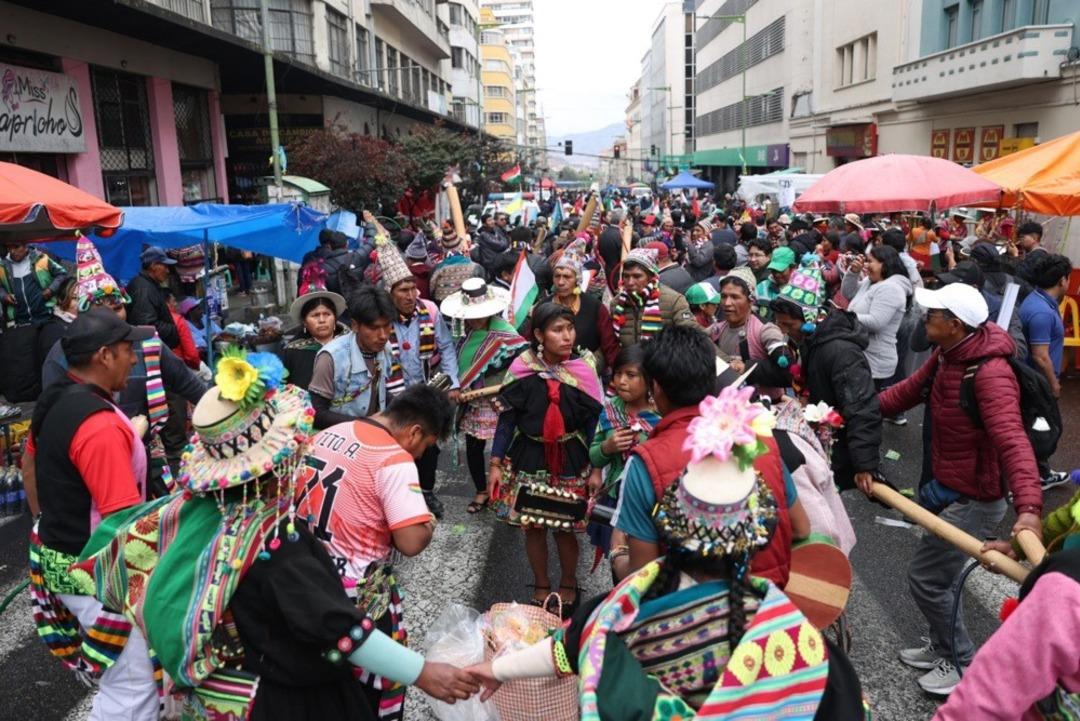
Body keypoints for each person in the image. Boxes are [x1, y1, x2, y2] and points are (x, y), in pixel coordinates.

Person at [72, 350, 478, 721]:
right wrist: (422, 672)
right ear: (276, 459)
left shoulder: (193, 510)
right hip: (277, 693)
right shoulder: (274, 540)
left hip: (221, 678)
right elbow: (335, 626)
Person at [469, 400, 867, 721]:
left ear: (670, 529)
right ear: (754, 539)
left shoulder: (614, 617)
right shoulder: (800, 646)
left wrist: (495, 669)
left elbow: (565, 650)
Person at [873, 283, 1042, 696]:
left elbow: (1013, 442)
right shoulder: (948, 354)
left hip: (975, 498)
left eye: (932, 313)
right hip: (951, 487)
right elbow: (904, 394)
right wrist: (852, 411)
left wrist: (1030, 509)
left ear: (955, 324)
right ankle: (943, 643)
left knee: (928, 580)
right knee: (938, 579)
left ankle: (962, 660)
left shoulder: (989, 373)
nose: (924, 317)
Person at [26, 308, 158, 721]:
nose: (134, 358)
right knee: (133, 687)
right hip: (98, 574)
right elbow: (123, 523)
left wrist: (52, 522)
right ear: (104, 356)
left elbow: (29, 469)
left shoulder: (59, 397)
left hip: (60, 556)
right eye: (126, 350)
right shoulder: (100, 427)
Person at [299, 383, 456, 720]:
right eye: (426, 446)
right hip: (355, 598)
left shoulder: (331, 432)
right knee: (367, 689)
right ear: (415, 432)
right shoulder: (394, 460)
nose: (419, 455)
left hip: (304, 579)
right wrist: (427, 521)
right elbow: (411, 541)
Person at [612, 324, 808, 587]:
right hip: (768, 612)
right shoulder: (758, 438)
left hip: (685, 618)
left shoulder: (644, 462)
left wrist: (617, 552)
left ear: (655, 387)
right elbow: (801, 528)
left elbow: (642, 579)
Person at [41, 238, 206, 493]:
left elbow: (192, 385)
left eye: (117, 308)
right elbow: (54, 428)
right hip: (92, 471)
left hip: (148, 462)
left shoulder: (147, 344)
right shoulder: (61, 356)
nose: (111, 317)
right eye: (99, 308)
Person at [488, 302, 604, 616]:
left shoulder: (583, 371)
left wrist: (597, 468)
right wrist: (495, 464)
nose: (567, 336)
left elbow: (595, 423)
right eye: (557, 330)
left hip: (570, 458)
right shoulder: (522, 368)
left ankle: (568, 583)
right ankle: (540, 584)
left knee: (565, 527)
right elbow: (507, 421)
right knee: (534, 527)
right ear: (539, 334)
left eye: (570, 328)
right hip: (529, 457)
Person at [370, 228, 461, 517]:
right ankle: (399, 500)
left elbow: (445, 348)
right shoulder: (382, 320)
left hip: (427, 390)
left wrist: (453, 384)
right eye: (403, 290)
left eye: (413, 288)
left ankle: (427, 492)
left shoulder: (430, 311)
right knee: (396, 449)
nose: (412, 295)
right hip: (393, 396)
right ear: (390, 293)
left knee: (429, 447)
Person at [769, 264, 882, 494]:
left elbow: (862, 407)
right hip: (823, 437)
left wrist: (865, 464)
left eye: (788, 325)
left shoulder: (841, 352)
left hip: (838, 444)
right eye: (779, 323)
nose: (783, 331)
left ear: (812, 317)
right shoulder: (810, 339)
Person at [441, 278, 529, 514]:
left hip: (500, 399)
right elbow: (459, 362)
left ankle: (506, 494)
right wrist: (459, 387)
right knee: (474, 447)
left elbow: (521, 364)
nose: (474, 319)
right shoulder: (463, 334)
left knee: (506, 449)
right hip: (472, 400)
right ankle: (481, 490)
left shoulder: (506, 333)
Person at [586, 344, 660, 578]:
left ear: (649, 380)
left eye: (631, 375)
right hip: (615, 500)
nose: (621, 381)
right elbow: (594, 453)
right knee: (618, 565)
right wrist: (607, 448)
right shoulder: (610, 410)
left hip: (649, 504)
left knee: (645, 571)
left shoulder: (661, 416)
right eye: (618, 374)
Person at [841, 244, 914, 422]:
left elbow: (876, 322)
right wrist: (852, 272)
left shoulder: (891, 288)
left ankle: (865, 446)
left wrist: (845, 317)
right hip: (862, 354)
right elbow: (848, 293)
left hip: (874, 359)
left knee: (864, 414)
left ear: (885, 264)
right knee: (857, 410)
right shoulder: (872, 281)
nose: (866, 265)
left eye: (870, 261)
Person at [308, 285, 395, 430]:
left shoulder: (386, 348)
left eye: (387, 326)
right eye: (374, 328)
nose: (383, 335)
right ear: (355, 325)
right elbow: (317, 414)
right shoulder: (330, 358)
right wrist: (366, 424)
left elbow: (378, 390)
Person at [1019, 252, 1072, 490]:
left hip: (1032, 381)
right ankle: (1037, 476)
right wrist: (1054, 384)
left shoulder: (1037, 301)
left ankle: (1035, 471)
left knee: (1035, 427)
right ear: (1062, 280)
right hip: (1037, 383)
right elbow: (1040, 357)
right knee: (1047, 429)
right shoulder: (1041, 311)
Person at [532, 238, 619, 371]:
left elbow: (610, 346)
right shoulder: (543, 306)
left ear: (577, 280)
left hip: (587, 373)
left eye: (567, 277)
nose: (561, 282)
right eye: (557, 276)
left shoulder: (594, 307)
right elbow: (532, 340)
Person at [709, 267, 793, 401]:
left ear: (751, 300)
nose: (727, 303)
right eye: (724, 296)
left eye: (735, 297)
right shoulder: (716, 330)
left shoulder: (765, 330)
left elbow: (788, 373)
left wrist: (746, 367)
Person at [0, 241, 68, 401]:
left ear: (25, 247)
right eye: (10, 247)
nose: (13, 251)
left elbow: (62, 273)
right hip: (21, 321)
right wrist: (4, 296)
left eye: (16, 246)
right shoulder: (2, 267)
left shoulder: (41, 259)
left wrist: (51, 289)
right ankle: (34, 395)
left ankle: (51, 391)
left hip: (45, 317)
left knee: (47, 354)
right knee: (27, 359)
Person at [610, 247, 696, 348]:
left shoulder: (674, 301)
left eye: (637, 276)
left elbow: (692, 336)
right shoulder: (616, 303)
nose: (630, 282)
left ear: (651, 276)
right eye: (626, 276)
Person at [282, 266, 348, 390]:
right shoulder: (293, 351)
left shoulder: (349, 343)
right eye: (315, 315)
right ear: (304, 322)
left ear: (335, 317)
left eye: (327, 314)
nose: (322, 320)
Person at [125, 245, 180, 349]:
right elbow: (146, 325)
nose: (168, 271)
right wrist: (175, 329)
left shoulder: (147, 285)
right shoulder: (143, 288)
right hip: (149, 352)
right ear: (154, 265)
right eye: (165, 266)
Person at [36, 275, 78, 366]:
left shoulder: (83, 323)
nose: (81, 303)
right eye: (75, 298)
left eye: (83, 297)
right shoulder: (52, 330)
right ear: (61, 300)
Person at [755, 245, 796, 321]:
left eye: (781, 271)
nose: (777, 275)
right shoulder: (761, 288)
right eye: (773, 270)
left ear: (792, 268)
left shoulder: (800, 289)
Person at [1010, 220, 1049, 284]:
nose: (1020, 241)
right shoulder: (1033, 254)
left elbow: (1021, 276)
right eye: (1019, 238)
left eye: (1022, 238)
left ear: (1034, 238)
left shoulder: (1038, 255)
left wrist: (1015, 255)